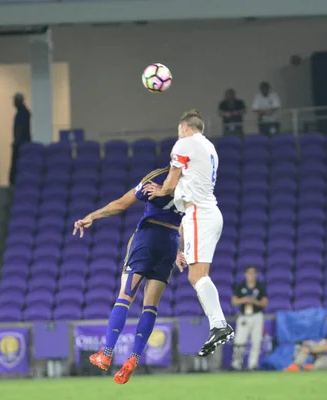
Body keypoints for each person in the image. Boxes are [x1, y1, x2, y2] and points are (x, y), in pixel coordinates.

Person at [73, 167, 185, 385]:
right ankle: (134, 358)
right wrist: (182, 250)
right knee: (151, 306)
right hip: (170, 242)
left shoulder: (157, 178)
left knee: (125, 297)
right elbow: (188, 219)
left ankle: (106, 353)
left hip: (148, 238)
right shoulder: (193, 184)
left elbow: (122, 204)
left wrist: (91, 216)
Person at [143, 109, 233, 357]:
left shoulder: (184, 143)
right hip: (208, 213)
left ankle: (219, 325)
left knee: (197, 276)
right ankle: (218, 324)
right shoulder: (209, 147)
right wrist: (180, 249)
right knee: (198, 275)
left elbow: (171, 184)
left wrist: (159, 191)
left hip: (199, 214)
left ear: (184, 128)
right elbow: (186, 199)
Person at [230, 266, 268, 371]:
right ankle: (236, 364)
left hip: (257, 315)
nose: (251, 275)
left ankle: (253, 365)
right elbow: (234, 301)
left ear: (256, 275)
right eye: (249, 273)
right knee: (239, 341)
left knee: (256, 341)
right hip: (244, 316)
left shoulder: (260, 287)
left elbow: (265, 303)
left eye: (253, 273)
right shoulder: (240, 286)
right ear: (245, 274)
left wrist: (254, 301)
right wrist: (244, 300)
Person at [9, 93, 32, 186]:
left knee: (16, 163)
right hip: (20, 142)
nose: (13, 102)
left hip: (21, 143)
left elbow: (20, 128)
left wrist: (17, 141)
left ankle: (14, 182)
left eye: (15, 100)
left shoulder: (23, 113)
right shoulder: (22, 112)